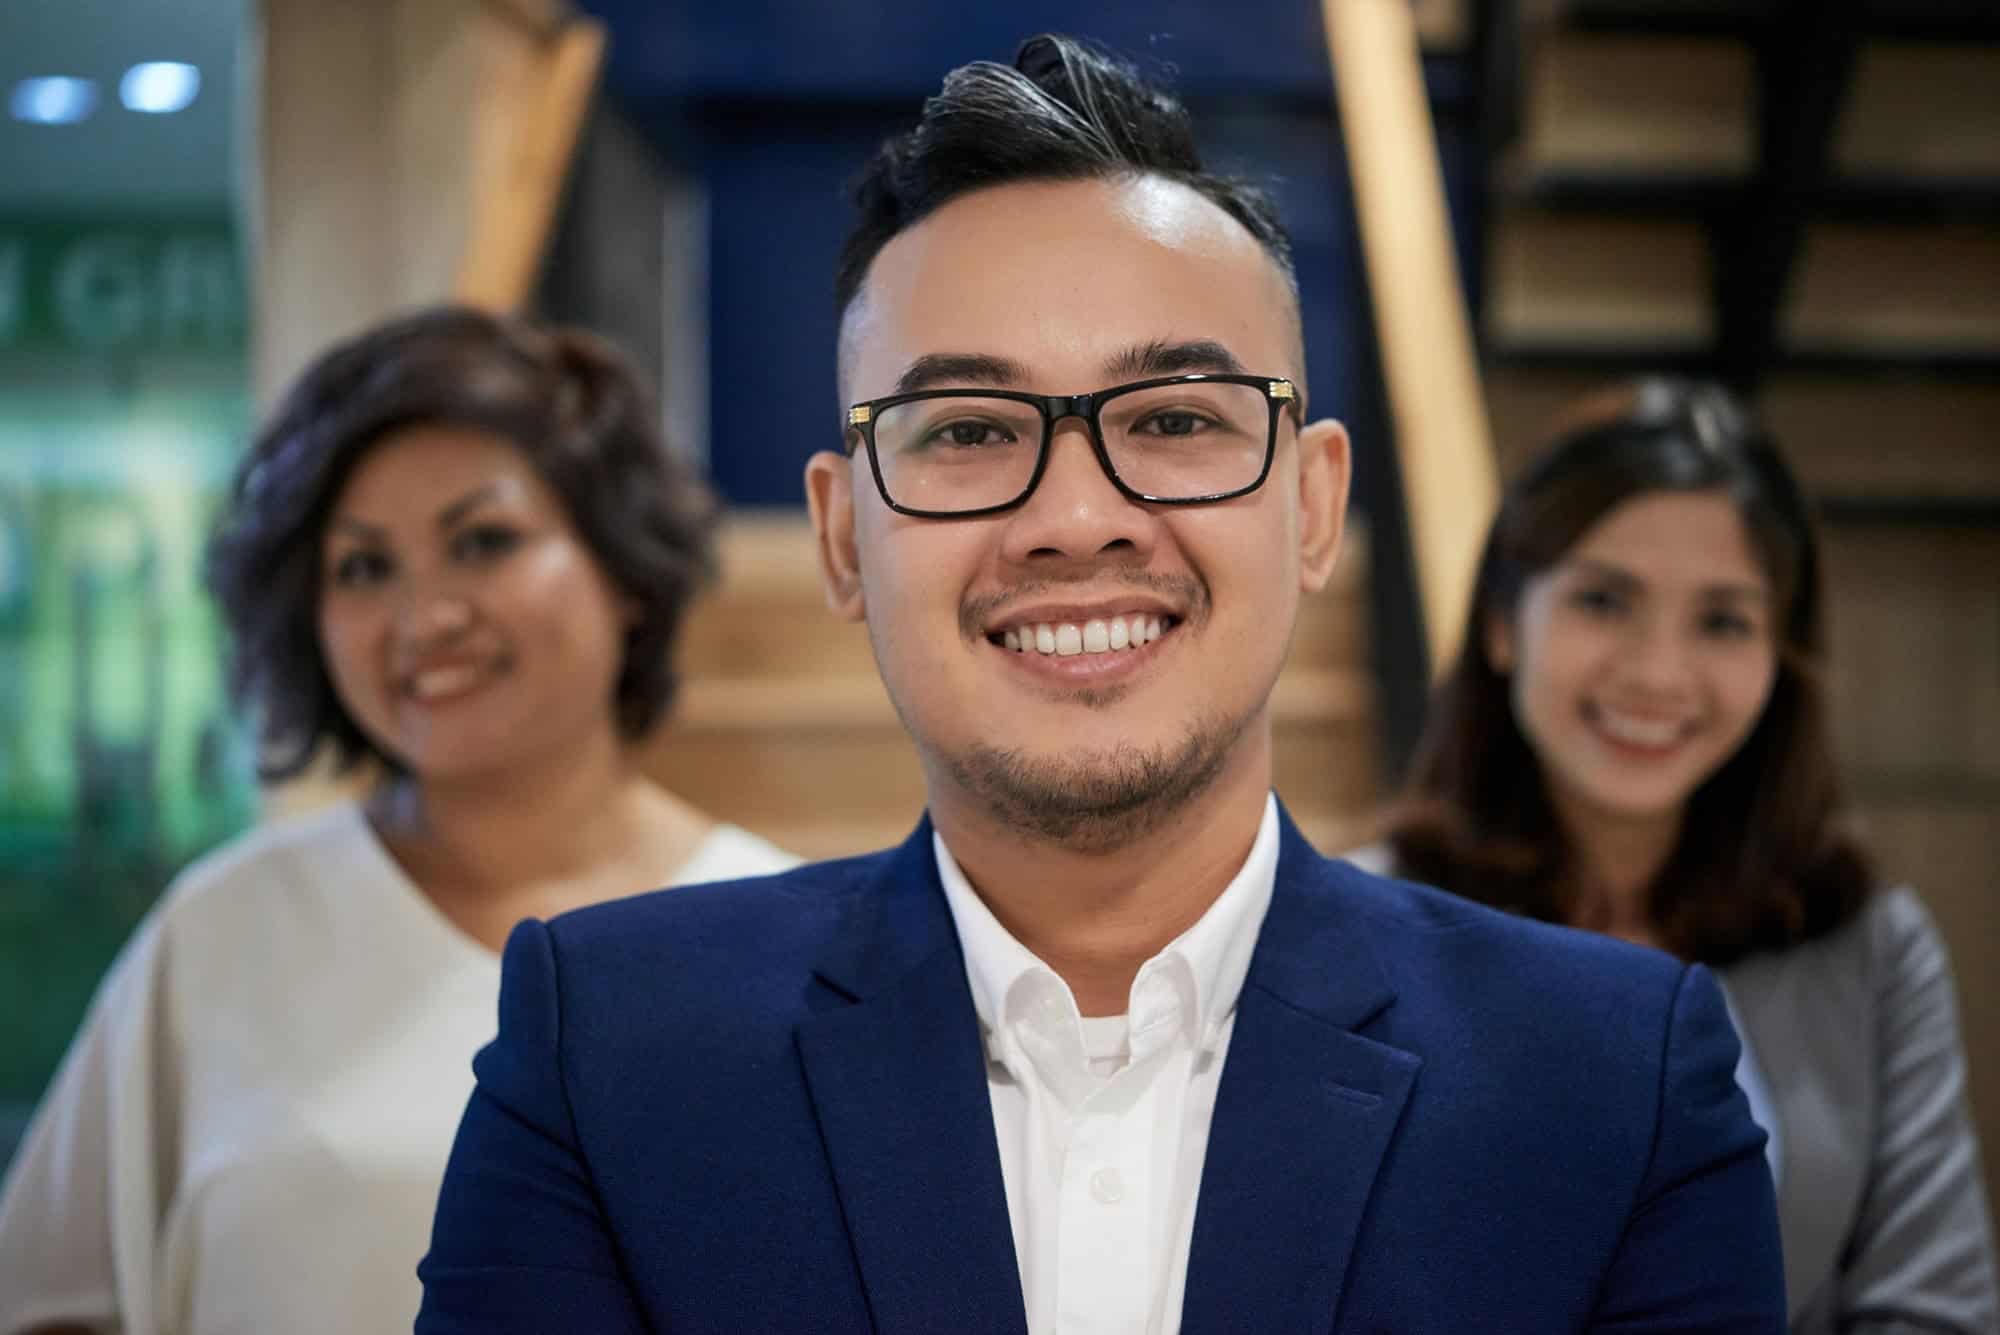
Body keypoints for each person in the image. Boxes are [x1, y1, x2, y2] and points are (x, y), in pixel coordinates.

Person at [416, 38, 1784, 1333]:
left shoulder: (1613, 1082)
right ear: (842, 536)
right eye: (965, 428)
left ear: (1313, 508)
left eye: (1175, 419)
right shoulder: (610, 1055)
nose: (1077, 516)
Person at [0, 307, 799, 1335]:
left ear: (625, 573)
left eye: (484, 541)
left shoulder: (782, 944)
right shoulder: (222, 932)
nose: (424, 618)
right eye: (364, 568)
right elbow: (48, 1305)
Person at [1362, 378, 1998, 1332]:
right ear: (1502, 623)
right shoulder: (1356, 925)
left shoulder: (1871, 948)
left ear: (1781, 656)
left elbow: (1937, 1307)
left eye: (1723, 620)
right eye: (1605, 599)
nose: (1659, 672)